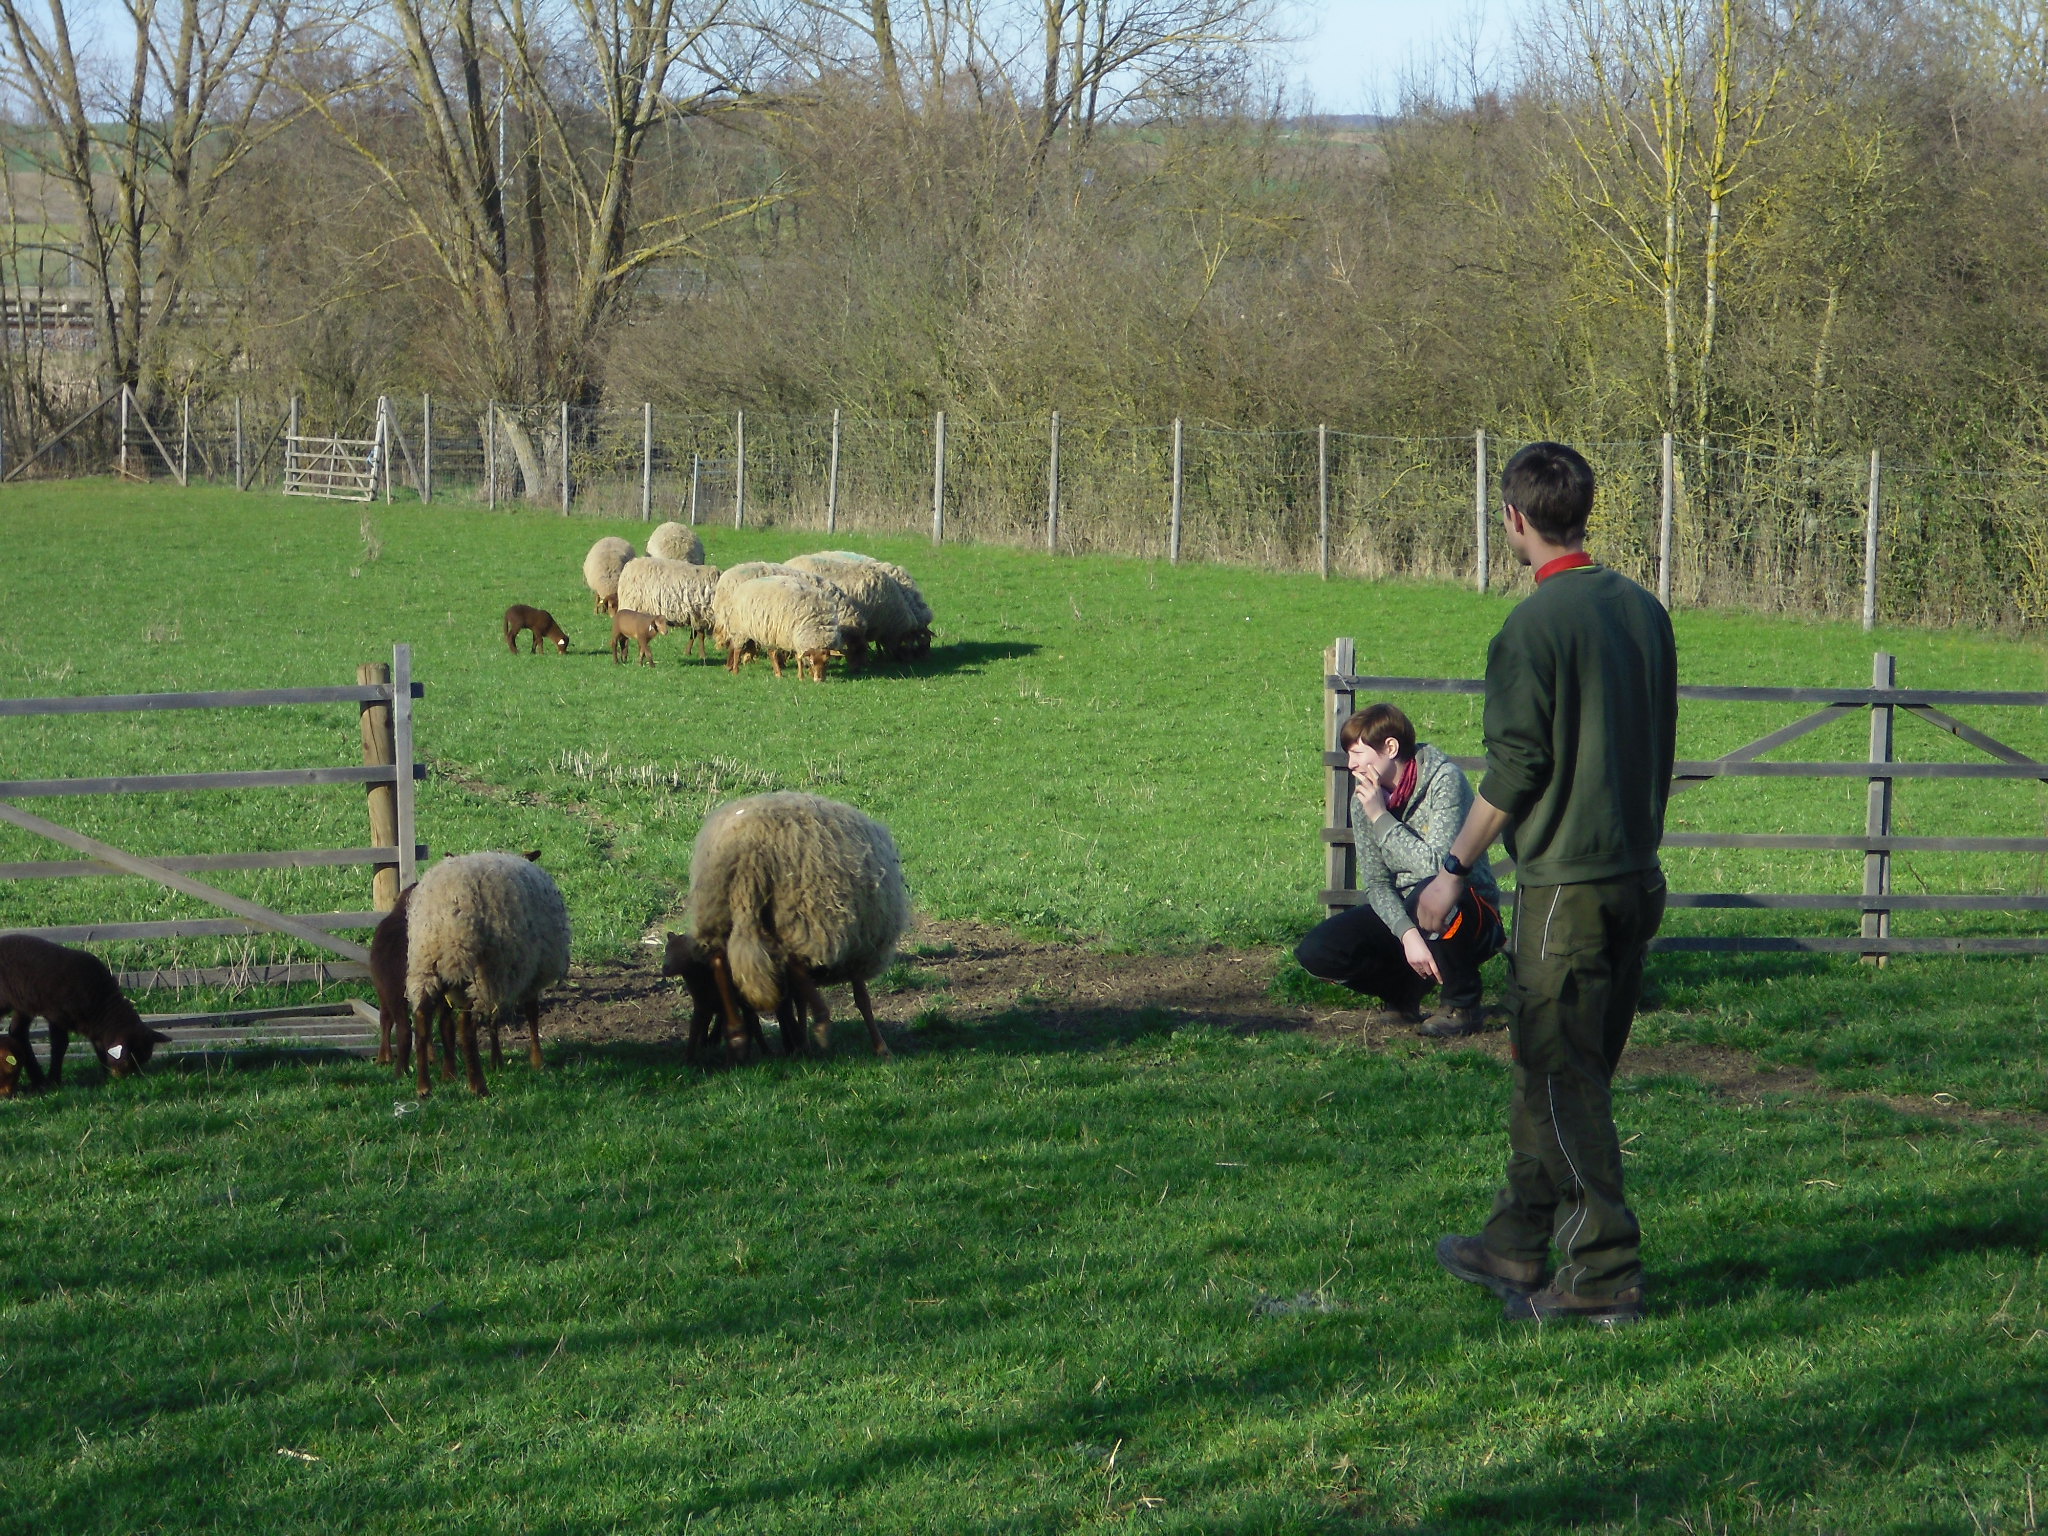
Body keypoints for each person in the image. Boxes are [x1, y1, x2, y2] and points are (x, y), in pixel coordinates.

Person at [1416, 441, 1677, 1328]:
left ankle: (1603, 1274)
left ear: (1514, 518)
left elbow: (1518, 767)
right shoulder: (1644, 611)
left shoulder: (1531, 628)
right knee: (1552, 1066)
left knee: (1566, 1080)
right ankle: (1517, 1240)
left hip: (1568, 887)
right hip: (1637, 875)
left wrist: (1452, 871)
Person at [1294, 701, 1505, 1037]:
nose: (1351, 765)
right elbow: (1377, 883)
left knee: (1430, 891)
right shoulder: (1364, 799)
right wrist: (1407, 934)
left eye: (1357, 753)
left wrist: (1381, 818)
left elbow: (1439, 867)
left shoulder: (1444, 780)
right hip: (1408, 911)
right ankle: (1403, 993)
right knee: (1317, 951)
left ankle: (1462, 1004)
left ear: (1390, 748)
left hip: (1466, 908)